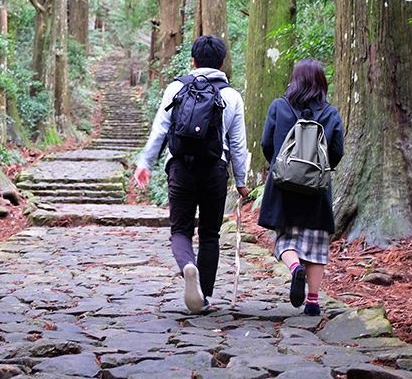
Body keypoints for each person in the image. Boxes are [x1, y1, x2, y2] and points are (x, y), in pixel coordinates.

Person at [134, 35, 249, 313]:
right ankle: (204, 296)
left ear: (193, 61)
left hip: (180, 168)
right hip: (215, 170)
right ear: (222, 62)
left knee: (181, 230)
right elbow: (237, 143)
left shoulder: (176, 88)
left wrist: (145, 163)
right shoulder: (232, 96)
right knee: (210, 234)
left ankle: (187, 265)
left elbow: (160, 129)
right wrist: (242, 181)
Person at [257, 59, 344, 316]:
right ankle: (313, 302)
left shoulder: (279, 106)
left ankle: (295, 269)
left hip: (284, 187)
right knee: (317, 245)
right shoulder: (330, 113)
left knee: (286, 239)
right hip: (316, 188)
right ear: (321, 83)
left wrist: (280, 166)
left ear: (294, 81)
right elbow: (336, 151)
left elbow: (266, 143)